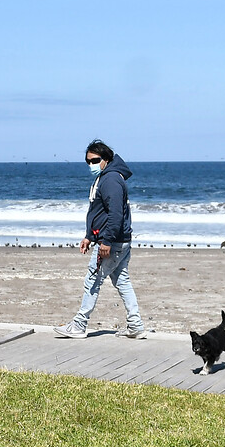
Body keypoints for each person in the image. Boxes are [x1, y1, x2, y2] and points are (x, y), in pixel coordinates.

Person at [54, 140, 147, 339]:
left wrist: (106, 241)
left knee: (92, 280)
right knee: (122, 280)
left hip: (112, 241)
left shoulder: (111, 180)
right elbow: (99, 212)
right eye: (88, 161)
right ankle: (136, 325)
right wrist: (89, 236)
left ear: (106, 159)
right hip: (117, 239)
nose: (91, 165)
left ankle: (79, 325)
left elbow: (115, 214)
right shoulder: (106, 177)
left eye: (95, 160)